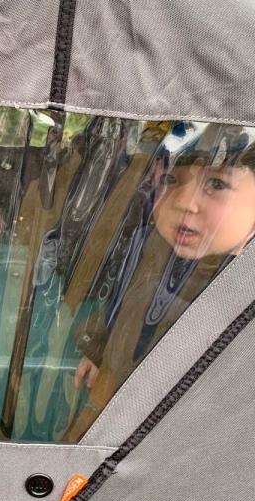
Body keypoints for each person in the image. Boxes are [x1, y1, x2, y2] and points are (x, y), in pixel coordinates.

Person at [66, 123, 255, 440]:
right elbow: (121, 301)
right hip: (112, 399)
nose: (185, 202)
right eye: (170, 180)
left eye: (217, 184)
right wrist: (98, 352)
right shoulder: (150, 248)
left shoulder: (242, 283)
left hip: (184, 431)